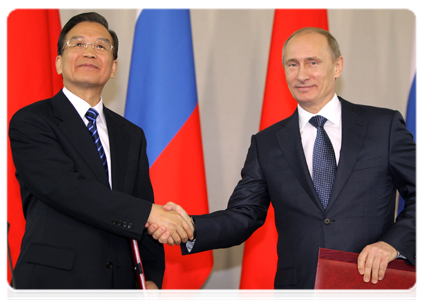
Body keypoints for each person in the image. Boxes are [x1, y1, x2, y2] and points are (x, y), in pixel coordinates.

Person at [147, 27, 420, 299]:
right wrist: (190, 227)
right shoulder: (267, 143)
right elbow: (243, 215)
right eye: (292, 64)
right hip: (299, 291)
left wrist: (393, 244)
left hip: (374, 284)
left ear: (337, 66)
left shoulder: (383, 126)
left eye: (312, 62)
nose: (301, 75)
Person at [8, 12, 193, 300]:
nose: (90, 52)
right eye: (78, 43)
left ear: (113, 67)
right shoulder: (31, 121)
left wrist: (152, 277)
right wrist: (148, 213)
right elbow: (65, 188)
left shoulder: (131, 134)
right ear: (59, 62)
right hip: (52, 284)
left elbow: (141, 199)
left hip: (118, 286)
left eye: (101, 46)